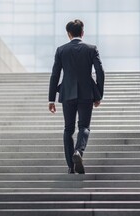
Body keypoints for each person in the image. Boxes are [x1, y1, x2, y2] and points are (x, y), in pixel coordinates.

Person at [48, 19, 105, 174]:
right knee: (84, 127)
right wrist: (98, 93)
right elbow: (100, 72)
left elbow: (55, 74)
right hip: (87, 93)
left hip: (67, 93)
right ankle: (78, 151)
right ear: (82, 32)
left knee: (68, 129)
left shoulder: (61, 50)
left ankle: (70, 167)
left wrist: (51, 99)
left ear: (69, 34)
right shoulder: (91, 49)